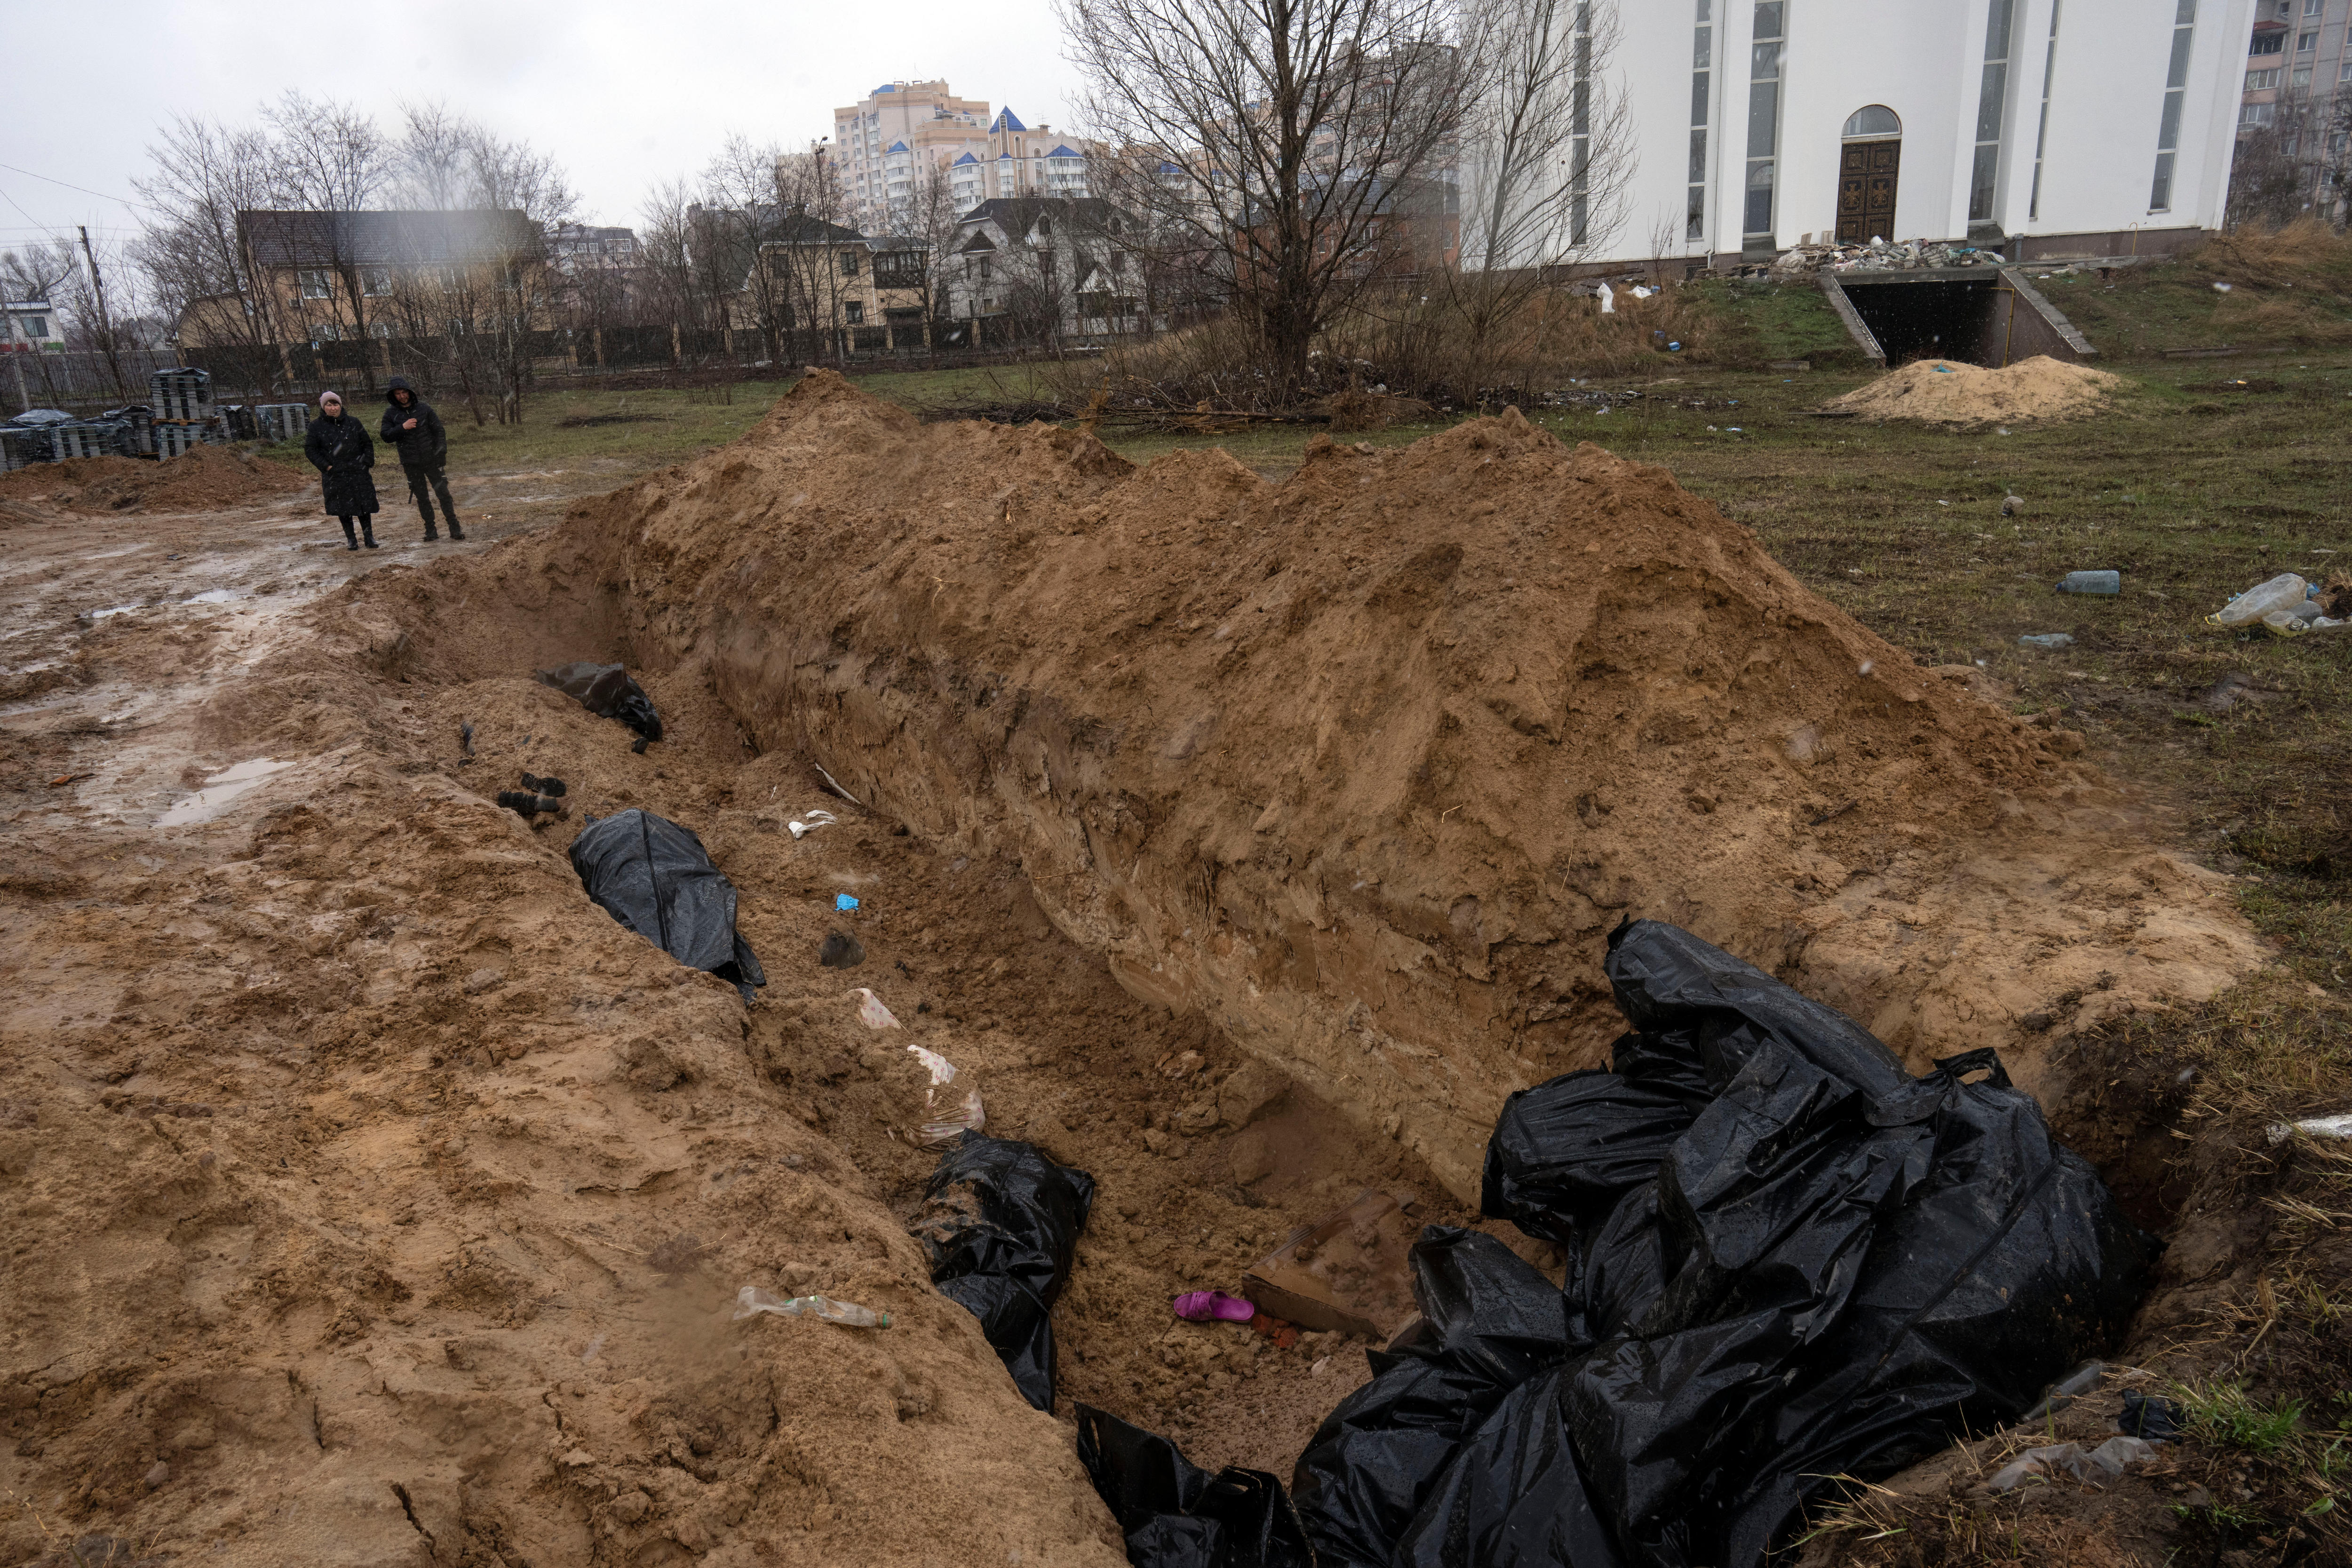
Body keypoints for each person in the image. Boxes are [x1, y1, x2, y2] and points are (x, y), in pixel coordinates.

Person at [379, 375, 463, 541]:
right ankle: (430, 530)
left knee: (444, 494)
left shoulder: (424, 409)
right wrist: (402, 427)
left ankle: (455, 527)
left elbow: (439, 431)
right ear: (393, 395)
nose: (402, 396)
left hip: (432, 460)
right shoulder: (390, 414)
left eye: (404, 392)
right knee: (422, 498)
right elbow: (386, 436)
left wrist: (441, 453)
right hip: (411, 463)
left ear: (410, 392)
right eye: (398, 394)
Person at [304, 391, 378, 551]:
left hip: (358, 471)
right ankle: (351, 539)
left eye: (335, 404)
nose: (333, 408)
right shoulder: (316, 426)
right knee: (343, 507)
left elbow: (367, 443)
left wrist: (366, 463)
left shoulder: (354, 422)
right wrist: (327, 467)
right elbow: (311, 450)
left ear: (341, 405)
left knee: (363, 505)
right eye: (329, 405)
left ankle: (369, 537)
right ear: (324, 408)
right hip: (335, 474)